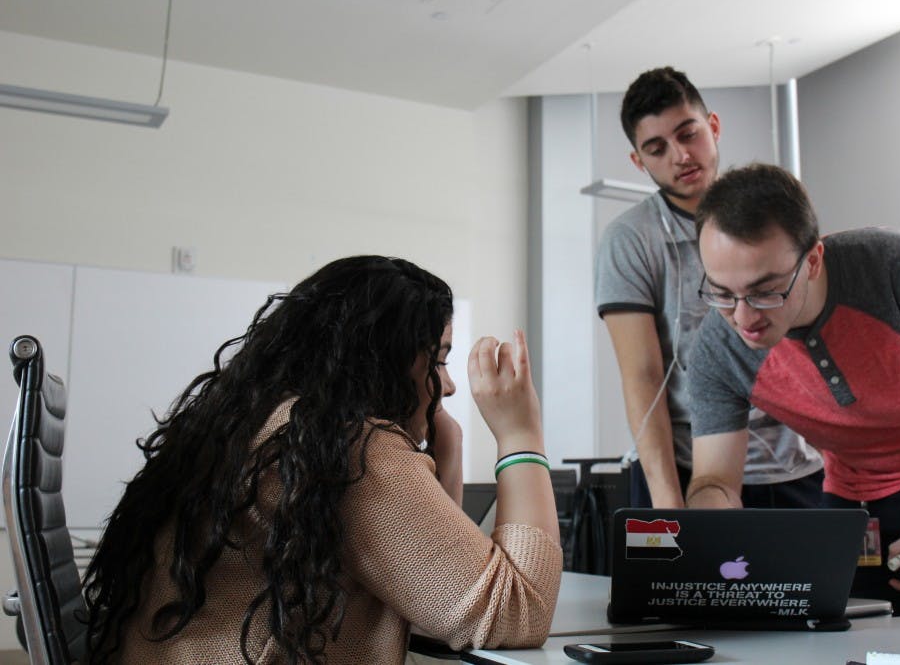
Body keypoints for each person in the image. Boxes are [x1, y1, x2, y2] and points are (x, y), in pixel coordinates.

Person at [82, 255, 563, 664]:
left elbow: (436, 598)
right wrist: (521, 433)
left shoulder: (271, 421)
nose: (450, 384)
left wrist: (450, 450)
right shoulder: (346, 445)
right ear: (383, 357)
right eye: (438, 360)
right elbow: (515, 613)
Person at [686, 163, 900, 615]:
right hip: (858, 495)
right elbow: (714, 479)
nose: (743, 318)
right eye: (722, 293)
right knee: (848, 640)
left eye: (765, 291)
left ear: (812, 260)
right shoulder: (719, 351)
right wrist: (721, 534)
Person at [594, 66, 823, 508]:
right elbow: (642, 376)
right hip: (688, 465)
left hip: (796, 460)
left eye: (688, 134)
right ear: (639, 162)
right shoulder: (632, 239)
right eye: (657, 149)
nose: (680, 156)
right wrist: (668, 504)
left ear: (713, 126)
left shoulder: (775, 209)